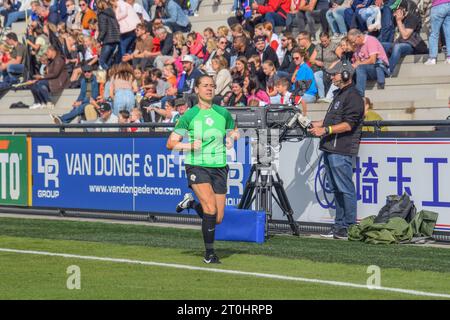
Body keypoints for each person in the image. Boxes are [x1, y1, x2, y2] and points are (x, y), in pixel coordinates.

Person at [166, 75, 239, 264]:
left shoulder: (223, 113)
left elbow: (233, 129)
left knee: (218, 217)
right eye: (205, 85)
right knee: (209, 208)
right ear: (197, 90)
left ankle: (190, 204)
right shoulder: (189, 115)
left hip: (220, 166)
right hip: (197, 164)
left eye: (212, 86)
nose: (209, 89)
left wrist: (232, 137)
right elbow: (170, 143)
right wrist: (189, 146)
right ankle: (209, 254)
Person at [308, 61, 364, 239]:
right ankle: (340, 226)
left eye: (335, 74)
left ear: (346, 75)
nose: (332, 77)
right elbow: (331, 121)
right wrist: (313, 124)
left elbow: (348, 125)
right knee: (336, 189)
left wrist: (325, 130)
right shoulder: (339, 94)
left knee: (345, 188)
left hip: (341, 149)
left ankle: (349, 227)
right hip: (331, 148)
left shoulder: (354, 96)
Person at [382, 0, 428, 73]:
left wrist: (399, 21)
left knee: (398, 47)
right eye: (393, 11)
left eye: (396, 10)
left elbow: (405, 36)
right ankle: (379, 67)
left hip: (411, 45)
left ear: (403, 9)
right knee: (381, 45)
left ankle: (388, 70)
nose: (394, 13)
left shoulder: (412, 18)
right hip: (399, 42)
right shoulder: (396, 18)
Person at [347, 28, 390, 96]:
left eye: (353, 41)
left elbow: (372, 60)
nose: (353, 43)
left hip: (379, 68)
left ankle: (360, 95)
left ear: (359, 36)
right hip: (367, 69)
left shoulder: (370, 40)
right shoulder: (358, 45)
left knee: (360, 68)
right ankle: (348, 94)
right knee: (349, 70)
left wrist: (358, 64)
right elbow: (358, 61)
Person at [424, 0, 450, 65]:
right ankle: (449, 58)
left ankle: (432, 58)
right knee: (448, 33)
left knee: (434, 33)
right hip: (448, 4)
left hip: (437, 5)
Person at [97, 0, 121, 70]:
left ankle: (111, 75)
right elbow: (118, 26)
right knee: (108, 62)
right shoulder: (112, 14)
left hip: (108, 41)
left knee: (102, 62)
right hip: (115, 40)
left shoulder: (102, 15)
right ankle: (110, 77)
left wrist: (99, 40)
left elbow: (103, 30)